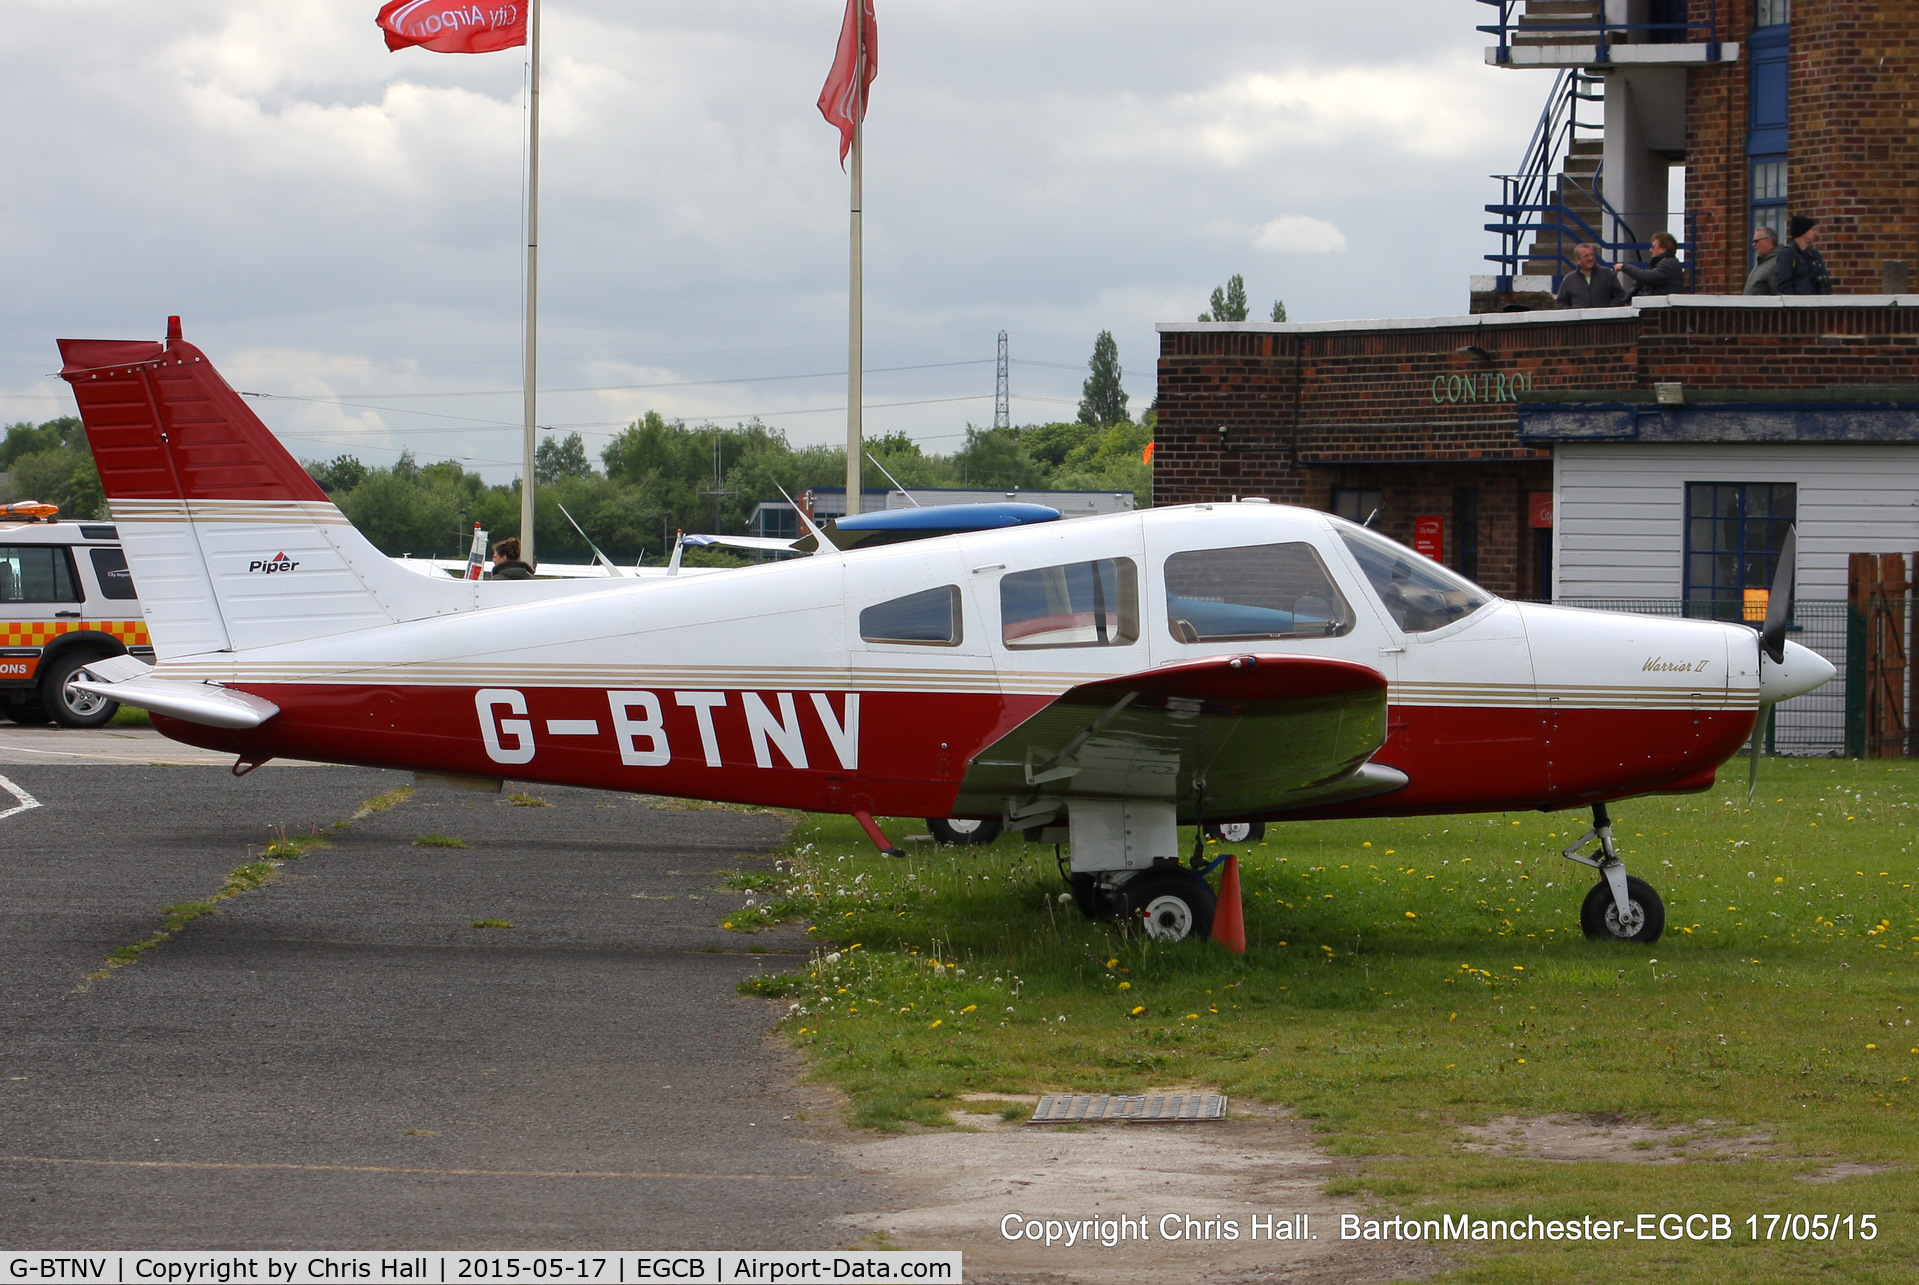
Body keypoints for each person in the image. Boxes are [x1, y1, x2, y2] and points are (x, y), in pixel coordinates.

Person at [1554, 243, 1627, 309]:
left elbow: (1620, 297)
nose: (1590, 258)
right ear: (1578, 260)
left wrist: (1607, 310)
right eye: (1586, 256)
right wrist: (1572, 313)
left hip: (1605, 322)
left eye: (1592, 255)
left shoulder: (1607, 274)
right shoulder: (1569, 279)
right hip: (1580, 323)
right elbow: (1561, 303)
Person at [1775, 215, 1833, 294]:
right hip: (1799, 304)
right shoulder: (1787, 254)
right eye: (1812, 229)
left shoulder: (1815, 255)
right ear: (1803, 231)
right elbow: (1784, 285)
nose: (1815, 233)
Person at [1615, 231, 1685, 296]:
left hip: (1662, 307)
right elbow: (1642, 281)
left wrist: (1624, 267)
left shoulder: (1670, 264)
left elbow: (1647, 277)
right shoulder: (1661, 264)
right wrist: (1625, 300)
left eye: (1653, 247)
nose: (1650, 250)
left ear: (1663, 248)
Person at [1744, 227, 1781, 294]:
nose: (1754, 244)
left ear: (1769, 241)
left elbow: (1778, 292)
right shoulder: (1762, 263)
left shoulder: (1777, 262)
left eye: (1756, 241)